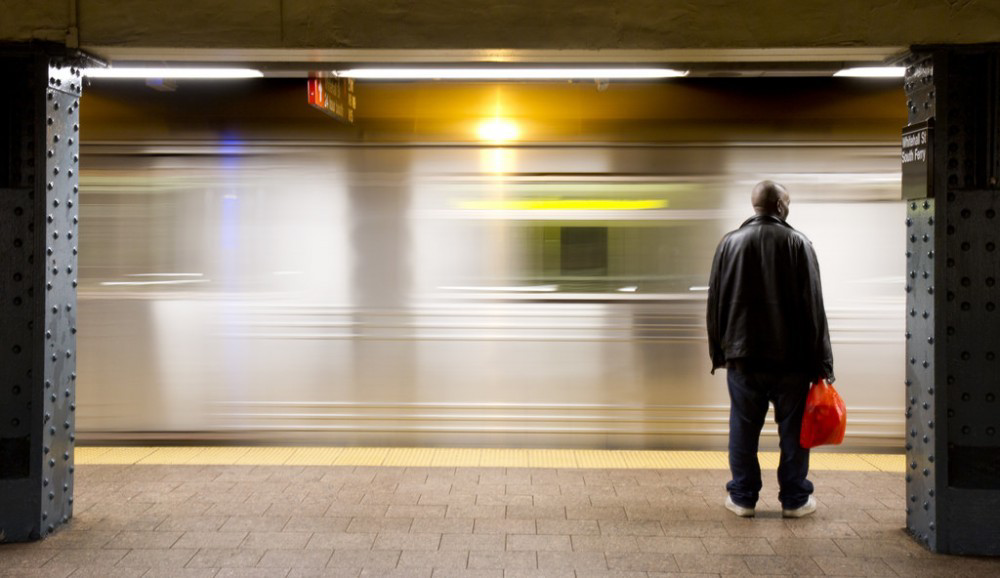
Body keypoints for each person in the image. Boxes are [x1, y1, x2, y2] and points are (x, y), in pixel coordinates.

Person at [706, 180, 834, 519]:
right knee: (793, 432)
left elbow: (715, 303)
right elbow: (813, 307)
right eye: (787, 202)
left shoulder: (729, 244)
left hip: (743, 358)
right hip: (791, 361)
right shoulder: (798, 242)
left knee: (743, 428)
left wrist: (721, 352)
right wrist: (823, 364)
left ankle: (743, 497)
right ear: (779, 206)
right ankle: (794, 499)